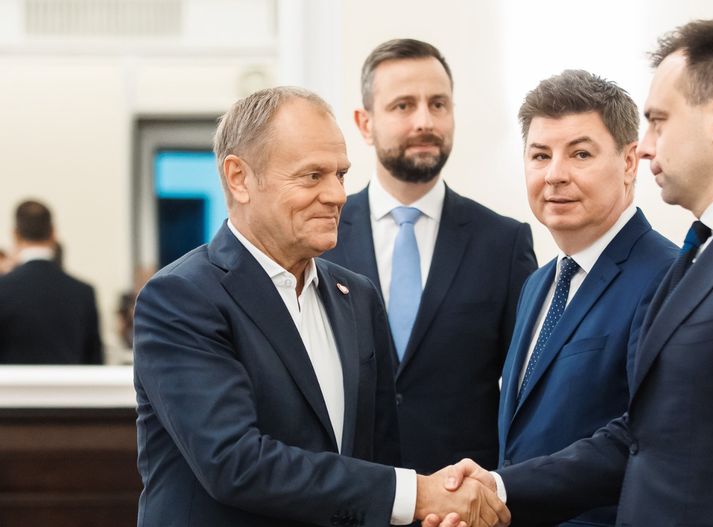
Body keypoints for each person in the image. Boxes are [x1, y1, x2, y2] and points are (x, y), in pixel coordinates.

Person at [434, 18, 713, 527]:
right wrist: (501, 486)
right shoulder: (705, 251)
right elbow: (642, 436)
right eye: (540, 155)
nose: (649, 145)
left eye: (658, 121)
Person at [132, 86, 509, 527]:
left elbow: (377, 459)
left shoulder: (357, 297)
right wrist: (419, 494)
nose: (336, 195)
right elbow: (235, 463)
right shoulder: (180, 297)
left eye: (340, 175)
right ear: (239, 178)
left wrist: (425, 507)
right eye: (312, 176)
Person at [320, 39, 537, 474]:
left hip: (465, 495)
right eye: (403, 106)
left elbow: (526, 391)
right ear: (365, 123)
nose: (425, 121)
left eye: (438, 104)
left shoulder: (503, 243)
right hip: (352, 492)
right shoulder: (322, 238)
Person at [496, 70, 676, 526]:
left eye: (580, 154)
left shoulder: (668, 278)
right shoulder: (537, 285)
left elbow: (643, 439)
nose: (555, 175)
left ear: (630, 162)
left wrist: (497, 489)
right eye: (540, 155)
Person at [0, 200, 102, 364]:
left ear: (15, 235)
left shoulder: (3, 289)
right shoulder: (83, 292)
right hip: (69, 381)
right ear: (53, 232)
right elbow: (94, 362)